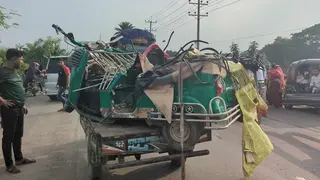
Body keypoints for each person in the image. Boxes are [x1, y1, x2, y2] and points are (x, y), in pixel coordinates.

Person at [0, 49, 36, 174]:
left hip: (19, 108)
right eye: (21, 59)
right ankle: (9, 165)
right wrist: (2, 101)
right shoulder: (2, 72)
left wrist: (22, 104)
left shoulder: (14, 72)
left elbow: (17, 88)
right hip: (9, 109)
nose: (22, 62)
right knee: (8, 136)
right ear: (13, 59)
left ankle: (19, 159)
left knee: (18, 134)